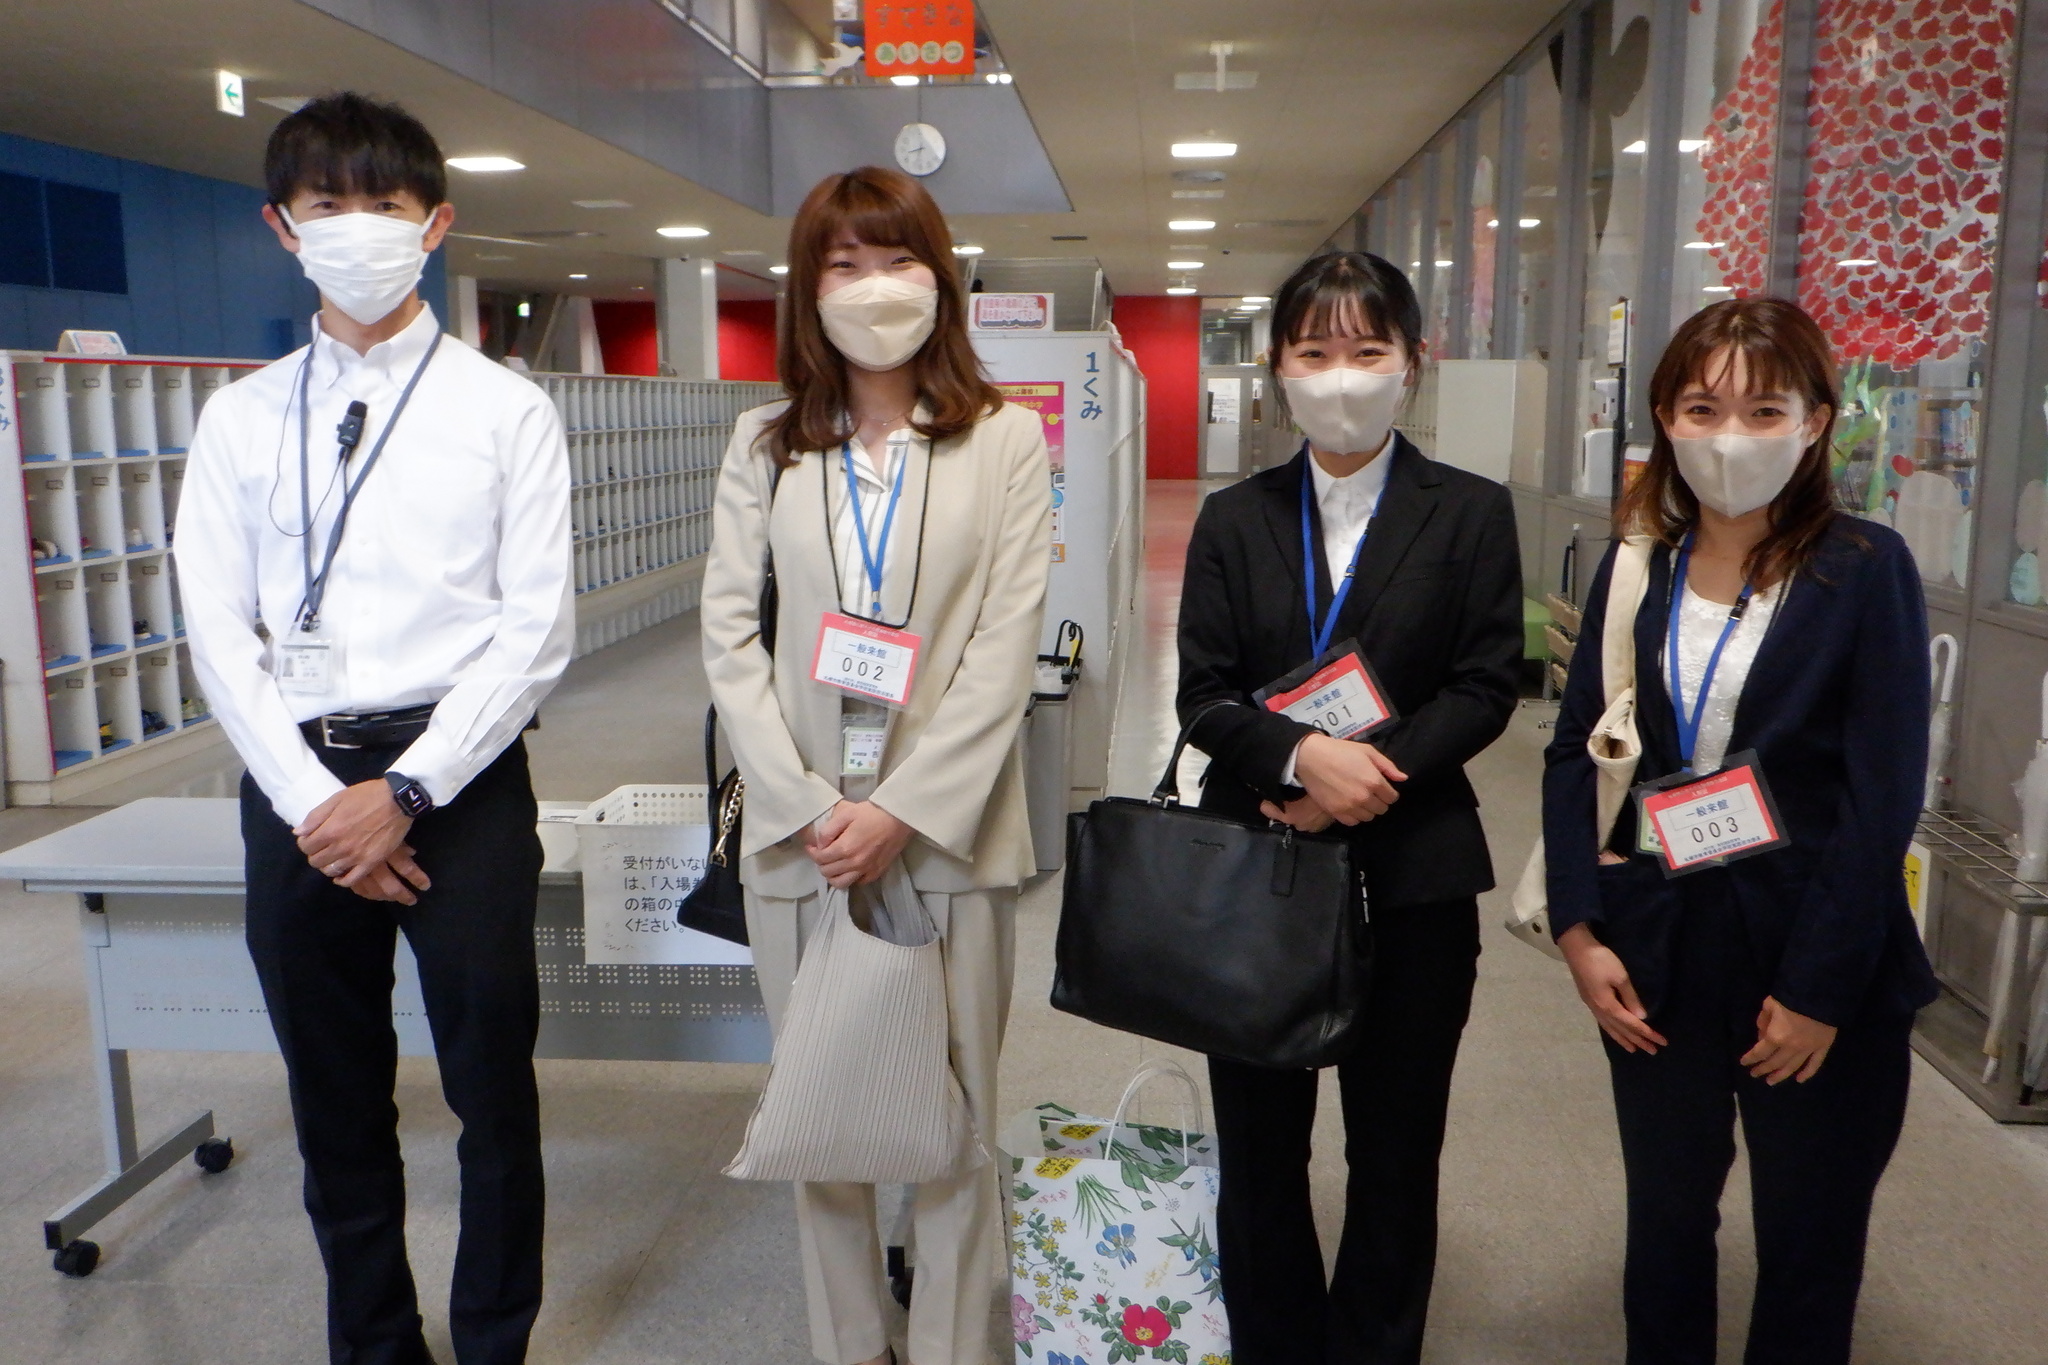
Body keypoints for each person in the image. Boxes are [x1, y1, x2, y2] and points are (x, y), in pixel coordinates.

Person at [176, 93, 572, 1365]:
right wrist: (315, 805)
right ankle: (376, 1345)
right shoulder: (239, 418)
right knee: (333, 1098)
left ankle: (494, 1338)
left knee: (488, 1091)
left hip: (458, 775)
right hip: (296, 779)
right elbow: (218, 634)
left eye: (385, 206)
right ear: (281, 228)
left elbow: (534, 631)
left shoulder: (504, 410)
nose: (356, 229)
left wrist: (401, 795)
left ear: (435, 224)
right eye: (326, 205)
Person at [1541, 296, 1939, 1364]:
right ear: (1663, 418)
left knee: (1808, 1244)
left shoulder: (1863, 569)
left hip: (1820, 964)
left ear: (1813, 421)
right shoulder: (1640, 567)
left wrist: (1816, 994)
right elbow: (1571, 746)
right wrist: (1578, 931)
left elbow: (1877, 800)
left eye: (1764, 409)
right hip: (1658, 958)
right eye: (1701, 406)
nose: (1729, 436)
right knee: (1665, 1231)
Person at [700, 165, 1053, 1365]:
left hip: (948, 831)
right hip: (800, 834)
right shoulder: (764, 442)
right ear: (807, 291)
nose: (872, 287)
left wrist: (901, 805)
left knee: (954, 1118)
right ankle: (850, 1345)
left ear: (939, 277)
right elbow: (726, 636)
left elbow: (1005, 644)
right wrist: (804, 805)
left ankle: (956, 1346)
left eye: (896, 259)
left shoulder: (1001, 439)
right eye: (842, 265)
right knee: (822, 1113)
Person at [1176, 251, 1524, 1364]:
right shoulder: (1233, 519)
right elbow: (1203, 692)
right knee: (1262, 1152)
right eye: (1313, 352)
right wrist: (1297, 761)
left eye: (1365, 351)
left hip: (1414, 871)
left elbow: (1482, 685)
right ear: (1277, 369)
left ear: (1411, 364)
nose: (1340, 377)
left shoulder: (1468, 512)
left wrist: (1367, 778)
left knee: (1394, 1151)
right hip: (1260, 875)